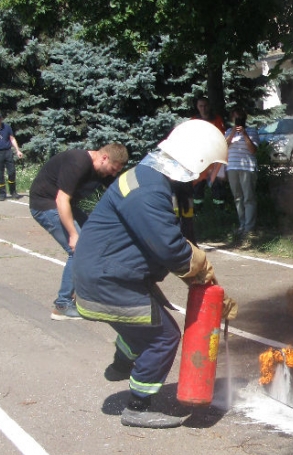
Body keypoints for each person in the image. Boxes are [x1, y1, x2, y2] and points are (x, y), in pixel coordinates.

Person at [71, 120, 236, 428]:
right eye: (207, 167)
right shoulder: (148, 190)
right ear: (195, 159)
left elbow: (167, 239)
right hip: (107, 280)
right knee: (164, 337)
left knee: (148, 322)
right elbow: (170, 248)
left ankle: (124, 359)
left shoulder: (150, 179)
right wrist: (205, 276)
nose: (205, 176)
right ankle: (138, 405)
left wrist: (205, 278)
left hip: (109, 274)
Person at [29, 143, 129, 320]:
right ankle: (63, 305)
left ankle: (86, 296)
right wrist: (74, 235)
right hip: (46, 205)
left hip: (68, 206)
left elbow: (120, 195)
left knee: (97, 239)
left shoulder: (103, 170)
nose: (112, 174)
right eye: (113, 169)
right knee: (78, 250)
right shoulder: (79, 161)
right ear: (104, 158)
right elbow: (61, 200)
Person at [224, 107, 260, 246]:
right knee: (238, 198)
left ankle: (249, 227)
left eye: (239, 117)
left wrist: (244, 134)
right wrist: (233, 132)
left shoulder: (251, 131)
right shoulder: (228, 132)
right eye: (235, 117)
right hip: (232, 167)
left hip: (247, 168)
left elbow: (253, 150)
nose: (237, 120)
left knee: (248, 197)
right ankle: (242, 224)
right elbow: (224, 146)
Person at [190, 96, 228, 214]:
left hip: (214, 157)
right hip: (199, 158)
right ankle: (197, 212)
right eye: (201, 106)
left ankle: (219, 211)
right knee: (197, 186)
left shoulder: (217, 119)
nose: (203, 108)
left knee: (217, 185)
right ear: (197, 107)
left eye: (205, 105)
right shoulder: (193, 121)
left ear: (209, 106)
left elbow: (222, 137)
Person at [0, 111, 25, 201]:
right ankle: (2, 194)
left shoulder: (7, 127)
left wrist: (17, 150)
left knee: (12, 172)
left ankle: (13, 192)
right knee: (0, 173)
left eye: (0, 118)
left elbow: (12, 139)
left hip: (8, 152)